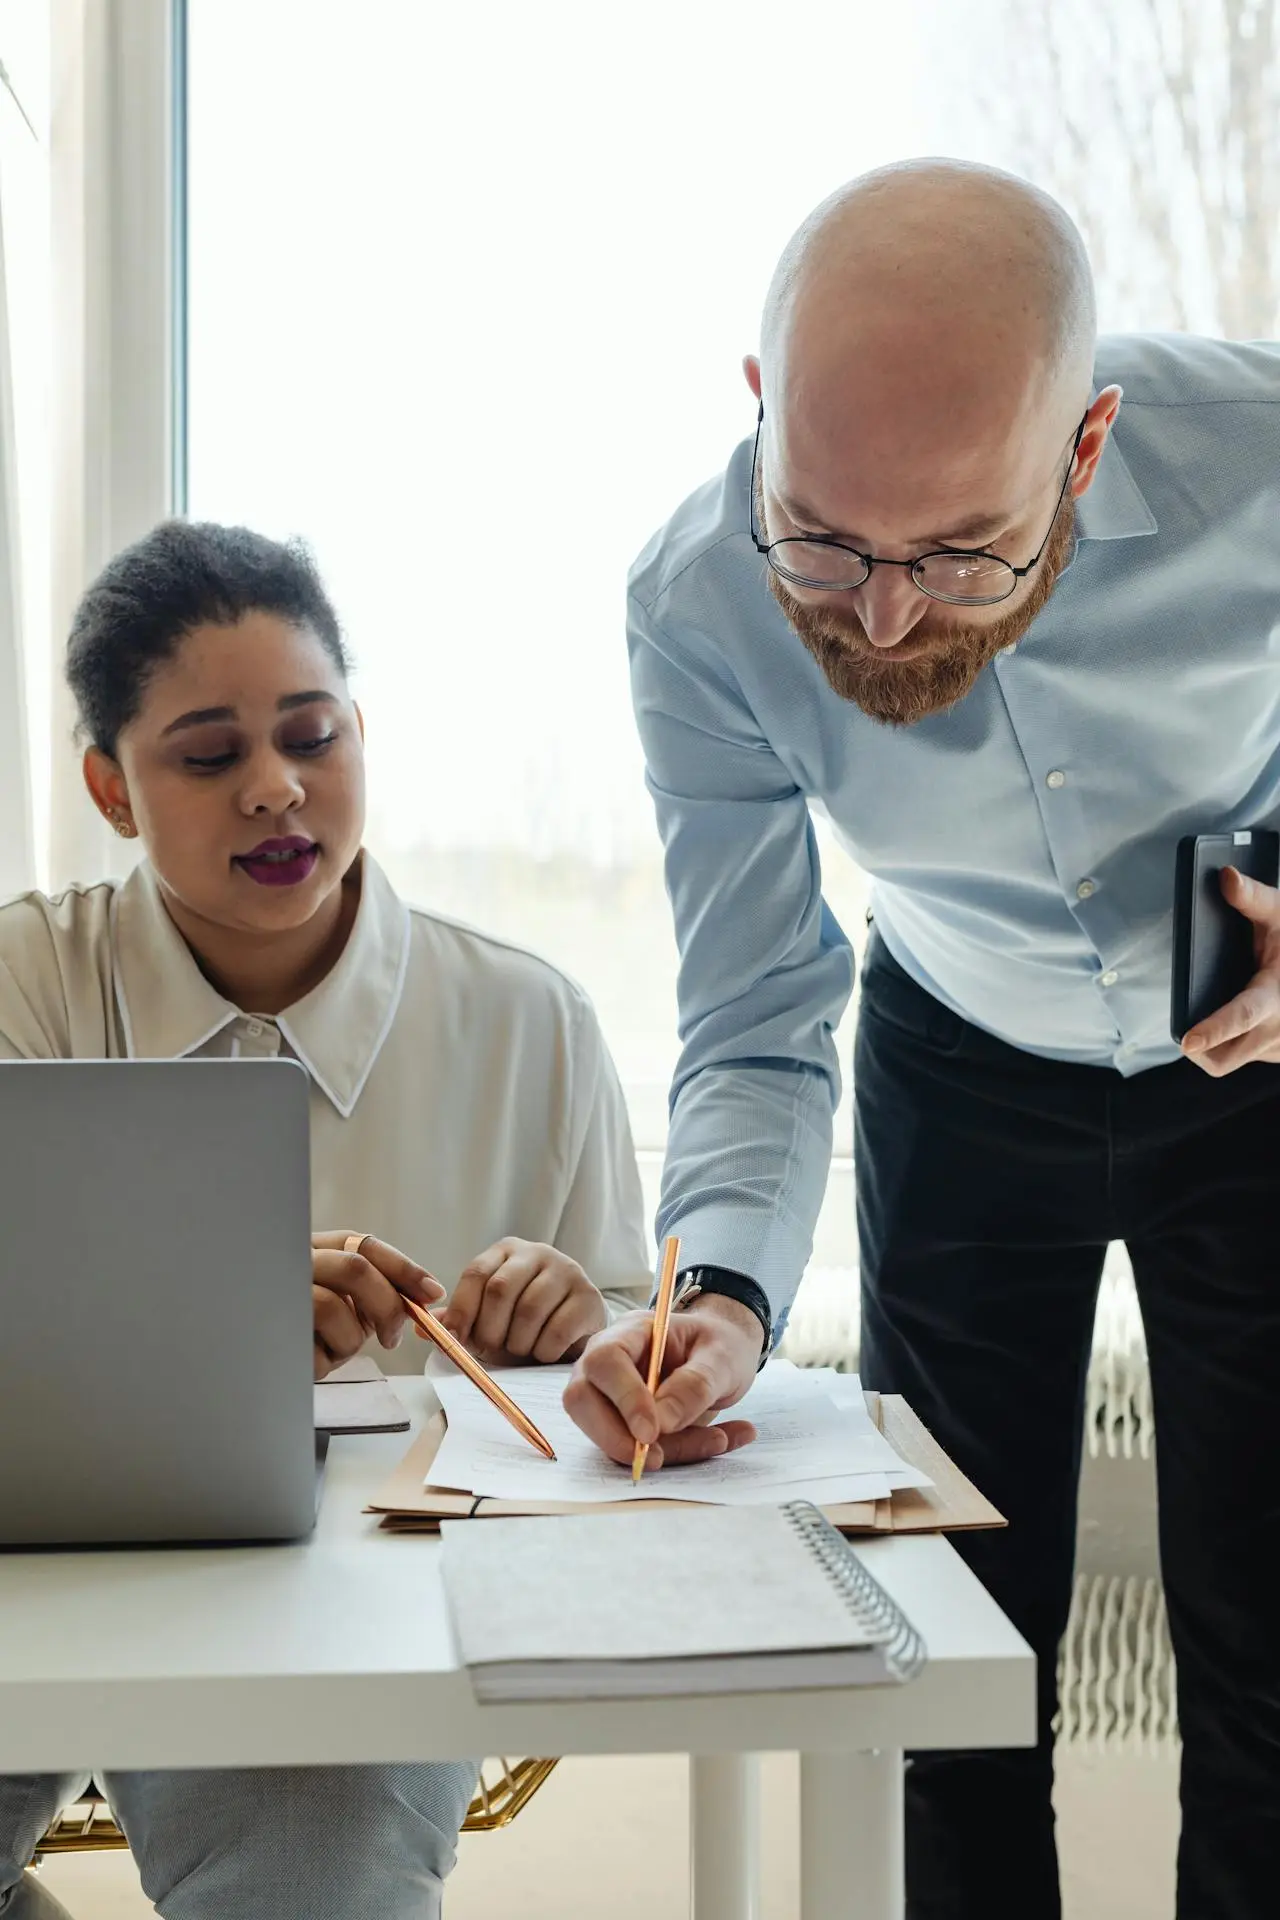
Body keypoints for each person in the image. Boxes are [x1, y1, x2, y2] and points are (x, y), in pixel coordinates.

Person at [564, 158, 1280, 1918]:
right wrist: (718, 1299)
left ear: (1088, 447)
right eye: (823, 537)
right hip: (956, 1073)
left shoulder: (1264, 460)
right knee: (956, 1664)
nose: (881, 619)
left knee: (1273, 1653)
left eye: (964, 550)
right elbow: (754, 1000)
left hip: (1257, 1066)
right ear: (759, 411)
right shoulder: (692, 602)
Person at [0, 520, 651, 1920]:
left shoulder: (527, 1021)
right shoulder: (25, 986)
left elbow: (639, 1382)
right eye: (209, 755)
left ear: (361, 731)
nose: (276, 791)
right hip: (28, 1580)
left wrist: (579, 1333)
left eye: (312, 736)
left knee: (313, 1888)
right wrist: (202, 1332)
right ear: (111, 790)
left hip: (365, 1632)